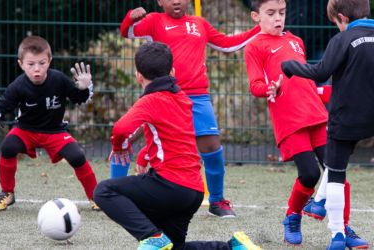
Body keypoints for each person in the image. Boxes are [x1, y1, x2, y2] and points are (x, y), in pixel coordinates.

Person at [93, 42, 262, 250]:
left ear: (138, 76)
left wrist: (120, 146)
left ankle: (151, 236)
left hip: (169, 186)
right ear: (172, 71)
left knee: (103, 191)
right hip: (193, 191)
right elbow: (174, 136)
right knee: (173, 248)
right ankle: (233, 247)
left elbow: (120, 128)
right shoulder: (182, 98)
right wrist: (145, 154)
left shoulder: (150, 100)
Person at [118, 0, 261, 218]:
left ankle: (217, 201)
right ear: (160, 1)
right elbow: (127, 32)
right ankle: (115, 188)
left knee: (211, 146)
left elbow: (227, 44)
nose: (176, 0)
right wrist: (131, 17)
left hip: (198, 97)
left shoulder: (199, 23)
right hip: (164, 94)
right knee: (128, 135)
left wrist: (262, 28)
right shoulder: (155, 21)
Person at [243, 0, 361, 246]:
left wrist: (336, 92)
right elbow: (255, 85)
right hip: (289, 120)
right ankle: (292, 216)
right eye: (271, 13)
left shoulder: (296, 41)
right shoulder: (254, 46)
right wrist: (270, 88)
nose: (278, 18)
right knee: (309, 174)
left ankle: (343, 228)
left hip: (317, 115)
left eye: (282, 13)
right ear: (256, 16)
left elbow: (307, 83)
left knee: (336, 174)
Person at [281, 0, 374, 248]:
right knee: (333, 168)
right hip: (371, 118)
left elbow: (320, 72)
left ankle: (337, 235)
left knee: (335, 172)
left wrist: (291, 66)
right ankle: (318, 202)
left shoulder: (342, 40)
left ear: (342, 18)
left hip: (345, 119)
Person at [0, 35, 99, 211]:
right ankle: (7, 193)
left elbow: (78, 98)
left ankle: (96, 196)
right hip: (25, 130)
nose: (37, 69)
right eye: (31, 64)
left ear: (49, 61)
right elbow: (2, 105)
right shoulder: (18, 85)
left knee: (77, 156)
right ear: (21, 64)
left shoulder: (59, 79)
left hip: (55, 131)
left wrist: (85, 87)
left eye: (42, 63)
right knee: (8, 147)